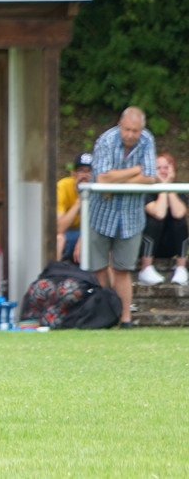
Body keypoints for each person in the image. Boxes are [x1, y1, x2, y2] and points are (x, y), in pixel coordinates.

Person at [88, 107, 157, 328]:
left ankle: (125, 319)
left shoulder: (147, 140)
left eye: (135, 131)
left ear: (141, 130)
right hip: (101, 214)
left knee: (123, 269)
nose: (130, 135)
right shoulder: (106, 141)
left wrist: (116, 182)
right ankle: (102, 317)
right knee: (98, 268)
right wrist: (135, 170)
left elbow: (150, 177)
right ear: (119, 125)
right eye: (126, 129)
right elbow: (102, 178)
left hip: (131, 216)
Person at [139, 152, 189, 286]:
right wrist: (163, 187)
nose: (162, 171)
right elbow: (159, 213)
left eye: (166, 167)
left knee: (180, 221)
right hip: (146, 245)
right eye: (158, 168)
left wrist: (168, 186)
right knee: (156, 219)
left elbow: (179, 213)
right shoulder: (146, 190)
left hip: (170, 245)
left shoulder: (178, 189)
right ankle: (145, 267)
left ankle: (181, 267)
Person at [56, 153, 93, 264]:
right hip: (68, 233)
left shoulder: (99, 189)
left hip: (90, 233)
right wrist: (79, 201)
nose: (85, 176)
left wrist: (83, 238)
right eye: (81, 171)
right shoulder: (63, 186)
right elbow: (59, 228)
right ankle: (54, 271)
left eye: (89, 171)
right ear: (73, 173)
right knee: (58, 238)